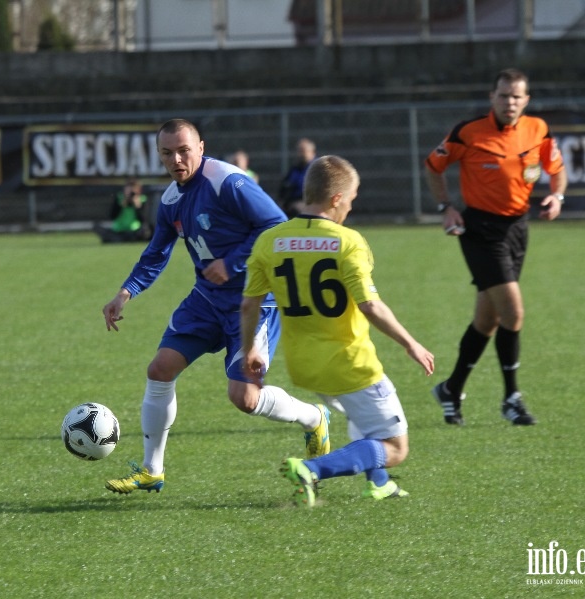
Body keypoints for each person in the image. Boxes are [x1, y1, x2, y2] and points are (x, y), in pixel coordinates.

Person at [102, 118, 330, 494]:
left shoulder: (229, 182)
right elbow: (156, 253)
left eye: (183, 150)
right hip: (206, 299)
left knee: (244, 398)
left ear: (202, 147)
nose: (176, 159)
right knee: (160, 369)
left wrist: (233, 261)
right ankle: (151, 470)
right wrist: (125, 292)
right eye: (167, 153)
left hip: (254, 300)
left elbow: (276, 226)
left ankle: (314, 417)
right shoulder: (170, 199)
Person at [241, 155, 435, 507]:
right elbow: (370, 305)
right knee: (395, 447)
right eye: (352, 197)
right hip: (350, 364)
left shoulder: (270, 241)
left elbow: (249, 304)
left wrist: (249, 349)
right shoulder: (347, 242)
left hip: (305, 367)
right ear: (336, 199)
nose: (351, 204)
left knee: (364, 420)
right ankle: (312, 469)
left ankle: (379, 484)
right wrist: (411, 343)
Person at [423, 68, 567, 426]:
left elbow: (556, 166)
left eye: (517, 96)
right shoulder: (469, 132)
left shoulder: (538, 129)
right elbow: (433, 165)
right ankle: (511, 398)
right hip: (480, 230)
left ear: (526, 100)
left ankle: (451, 389)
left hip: (518, 228)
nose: (510, 102)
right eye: (503, 95)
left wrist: (557, 196)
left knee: (487, 320)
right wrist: (446, 207)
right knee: (513, 313)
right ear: (492, 98)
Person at [95, 178, 152, 243]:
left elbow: (144, 220)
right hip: (119, 231)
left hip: (135, 231)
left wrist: (138, 207)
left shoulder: (142, 199)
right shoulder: (119, 198)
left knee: (147, 232)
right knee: (100, 229)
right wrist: (121, 205)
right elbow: (112, 216)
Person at [278, 137, 316, 218]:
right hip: (292, 204)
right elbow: (284, 187)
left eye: (303, 151)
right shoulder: (294, 169)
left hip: (309, 203)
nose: (300, 154)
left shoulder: (317, 169)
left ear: (312, 152)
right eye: (299, 151)